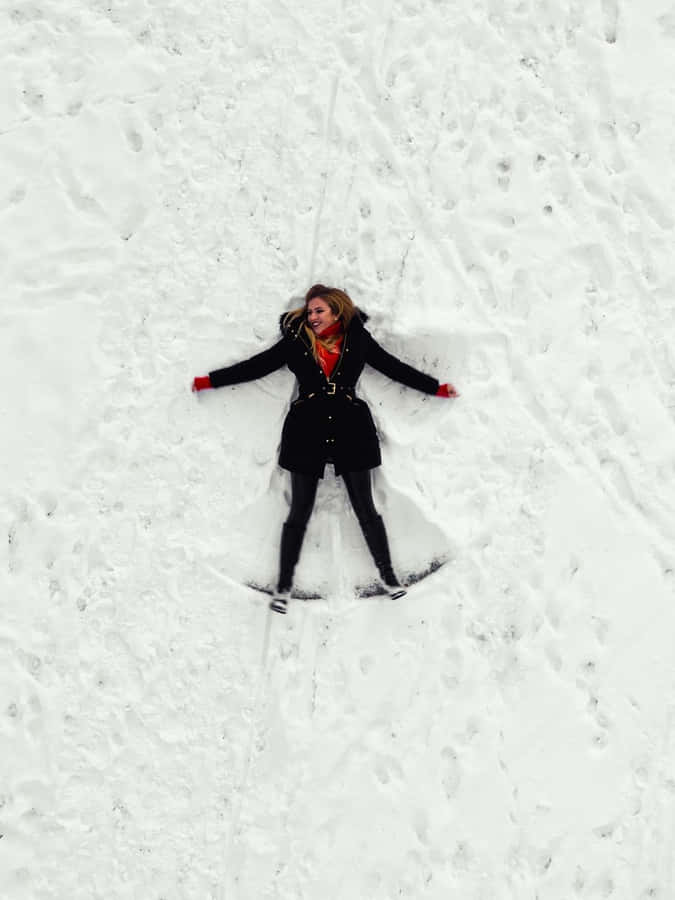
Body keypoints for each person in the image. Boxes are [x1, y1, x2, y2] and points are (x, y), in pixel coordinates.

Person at [192, 284, 459, 614]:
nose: (312, 316)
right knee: (299, 510)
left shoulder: (357, 340)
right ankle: (283, 588)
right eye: (309, 312)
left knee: (365, 507)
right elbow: (255, 366)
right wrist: (211, 381)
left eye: (319, 310)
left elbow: (393, 367)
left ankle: (389, 578)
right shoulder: (296, 343)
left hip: (352, 429)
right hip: (306, 429)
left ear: (337, 309)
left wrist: (435, 388)